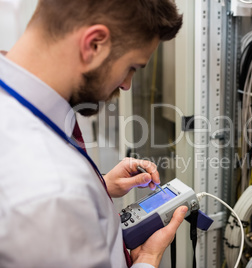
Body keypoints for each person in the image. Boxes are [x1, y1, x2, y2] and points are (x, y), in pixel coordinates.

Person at [0, 1, 185, 267]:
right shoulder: (54, 195)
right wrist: (147, 259)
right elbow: (54, 201)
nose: (126, 84)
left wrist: (100, 186)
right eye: (132, 66)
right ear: (94, 44)